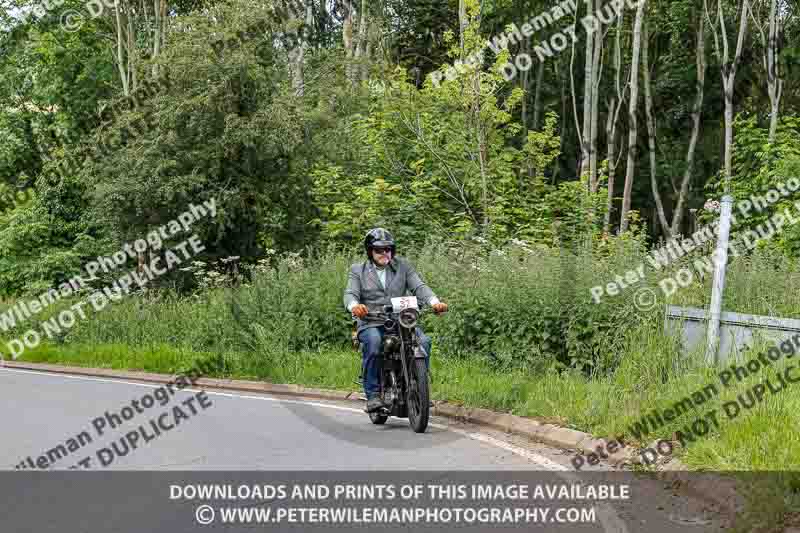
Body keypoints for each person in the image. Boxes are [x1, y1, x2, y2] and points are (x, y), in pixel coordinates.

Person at [343, 228, 448, 413]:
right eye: (379, 250)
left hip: (401, 320)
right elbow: (350, 293)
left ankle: (418, 390)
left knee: (423, 341)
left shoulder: (403, 266)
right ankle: (373, 394)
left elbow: (419, 286)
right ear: (370, 251)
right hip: (371, 321)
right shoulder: (357, 270)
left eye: (388, 249)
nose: (385, 253)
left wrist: (434, 302)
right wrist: (354, 306)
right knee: (374, 342)